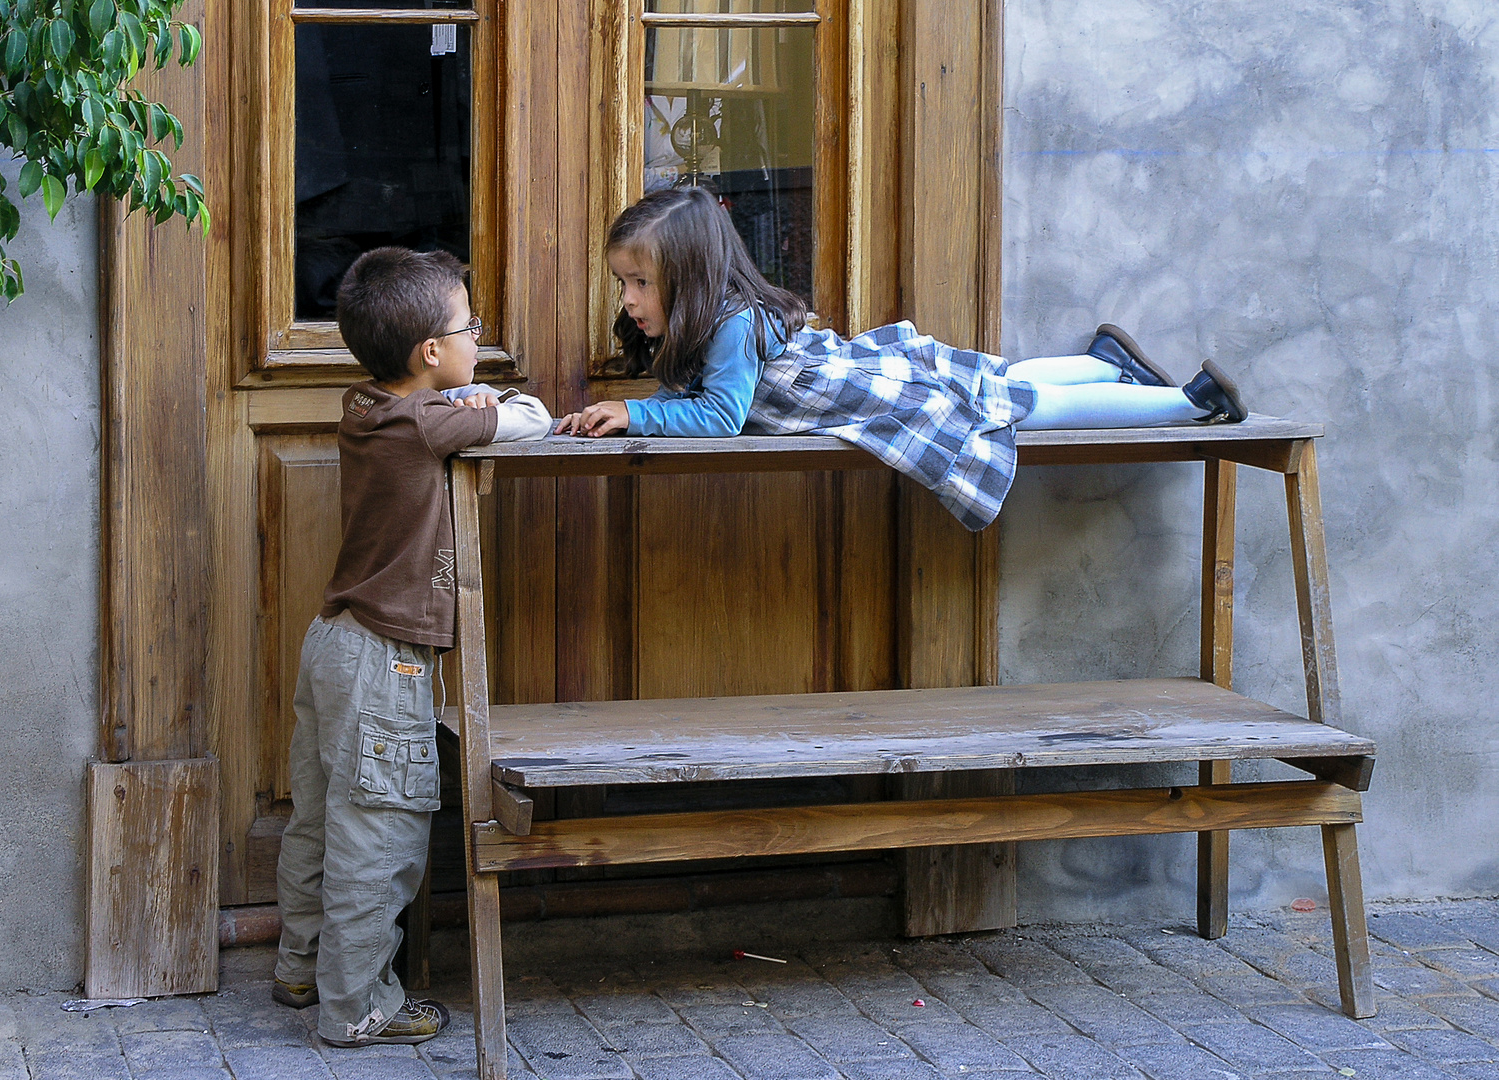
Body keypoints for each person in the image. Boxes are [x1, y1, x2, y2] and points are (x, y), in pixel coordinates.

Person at [555, 186, 1247, 531]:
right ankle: (1103, 366)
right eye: (625, 281)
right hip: (860, 377)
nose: (630, 297)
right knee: (991, 381)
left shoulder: (730, 327)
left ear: (692, 275)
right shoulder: (727, 318)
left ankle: (1186, 403)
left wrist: (634, 411)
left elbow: (721, 417)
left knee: (1015, 408)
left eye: (641, 281)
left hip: (876, 400)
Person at [272, 246, 551, 1047]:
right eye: (470, 328)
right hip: (384, 660)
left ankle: (300, 966)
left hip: (332, 644)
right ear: (431, 353)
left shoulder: (370, 406)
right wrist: (486, 397)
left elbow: (452, 406)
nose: (479, 340)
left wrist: (461, 394)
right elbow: (524, 419)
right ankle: (357, 1006)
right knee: (379, 838)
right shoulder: (429, 420)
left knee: (321, 823)